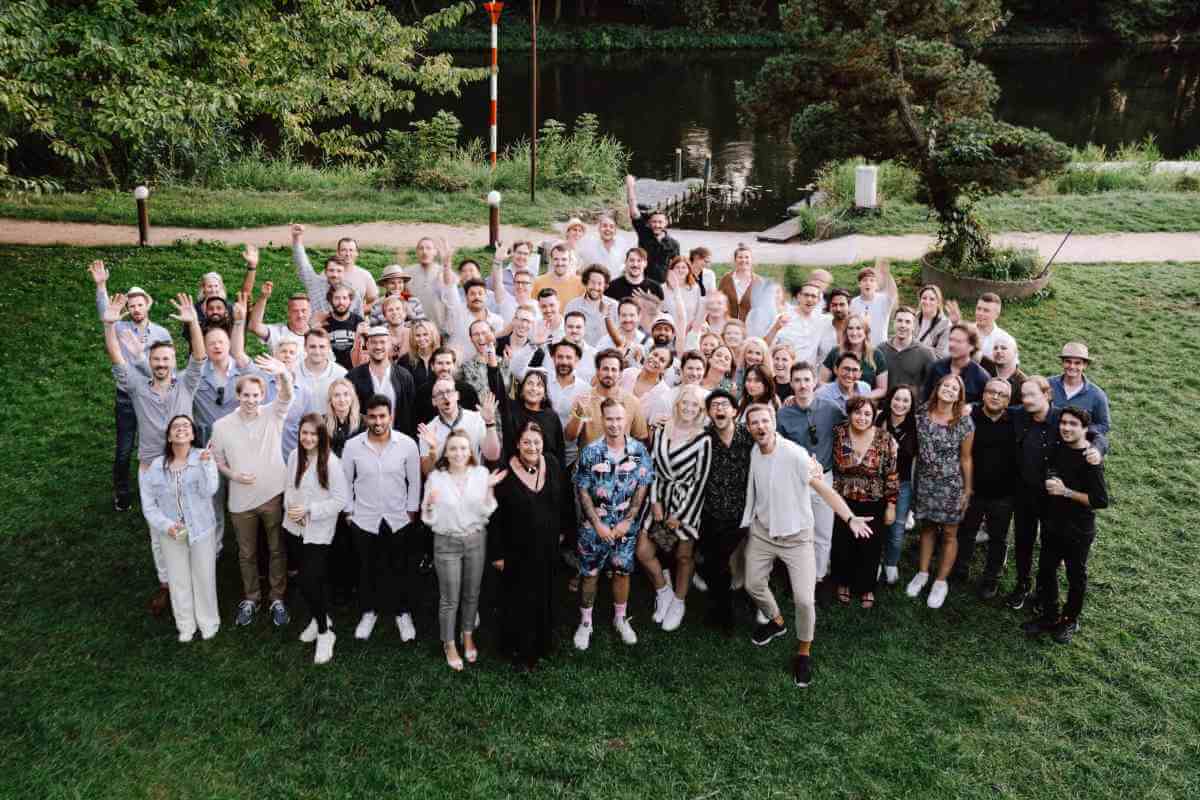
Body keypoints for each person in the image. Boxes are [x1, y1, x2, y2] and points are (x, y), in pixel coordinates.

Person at [742, 404, 873, 688]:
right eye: (754, 423)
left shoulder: (794, 455)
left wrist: (849, 517)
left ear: (774, 422)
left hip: (798, 538)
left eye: (765, 421)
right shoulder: (754, 451)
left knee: (804, 600)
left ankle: (803, 652)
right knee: (752, 584)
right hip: (764, 533)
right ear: (749, 428)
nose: (761, 427)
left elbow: (824, 489)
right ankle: (777, 622)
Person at [102, 291, 205, 613]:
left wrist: (193, 325)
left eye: (166, 360)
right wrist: (109, 325)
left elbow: (199, 359)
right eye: (156, 360)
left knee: (191, 521)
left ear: (174, 363)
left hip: (187, 466)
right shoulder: (135, 386)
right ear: (149, 363)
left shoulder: (186, 385)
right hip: (151, 469)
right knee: (158, 529)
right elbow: (116, 356)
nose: (161, 364)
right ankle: (166, 584)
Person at [1003, 375, 1107, 612]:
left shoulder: (1063, 419)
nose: (1027, 400)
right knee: (1023, 541)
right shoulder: (1020, 415)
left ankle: (1044, 593)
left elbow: (1095, 435)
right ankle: (1022, 584)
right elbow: (995, 407)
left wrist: (1098, 450)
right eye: (1024, 395)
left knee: (1050, 550)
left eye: (1032, 395)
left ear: (1047, 395)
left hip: (1054, 498)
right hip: (1025, 492)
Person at [209, 356, 295, 627]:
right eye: (246, 395)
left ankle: (277, 598)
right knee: (246, 553)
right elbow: (218, 460)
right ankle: (251, 598)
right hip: (240, 500)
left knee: (276, 549)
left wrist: (283, 374)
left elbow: (287, 394)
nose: (251, 400)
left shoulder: (273, 413)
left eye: (256, 395)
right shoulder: (221, 427)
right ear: (238, 395)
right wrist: (234, 475)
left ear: (262, 395)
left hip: (273, 493)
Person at [1020, 406, 1110, 644]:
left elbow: (1100, 501)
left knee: (1075, 575)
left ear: (1084, 429)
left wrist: (1066, 492)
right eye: (1064, 423)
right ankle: (1049, 616)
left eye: (1073, 424)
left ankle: (1069, 620)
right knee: (1047, 571)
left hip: (1078, 529)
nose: (1066, 428)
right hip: (1052, 523)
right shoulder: (1058, 448)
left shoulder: (1090, 459)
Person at [489, 420, 574, 670]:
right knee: (519, 600)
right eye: (526, 442)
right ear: (517, 444)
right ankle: (519, 650)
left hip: (547, 548)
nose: (532, 447)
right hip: (516, 551)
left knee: (545, 595)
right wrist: (497, 554)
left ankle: (543, 643)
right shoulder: (505, 472)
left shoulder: (553, 464)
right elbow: (494, 516)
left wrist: (562, 533)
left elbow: (564, 501)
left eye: (536, 442)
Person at [89, 261, 172, 512]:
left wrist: (141, 359)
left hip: (152, 397)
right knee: (124, 448)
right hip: (126, 397)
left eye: (139, 304)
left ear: (147, 305)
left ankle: (162, 488)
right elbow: (107, 314)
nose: (135, 309)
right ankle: (122, 492)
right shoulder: (121, 328)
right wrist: (101, 286)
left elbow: (168, 369)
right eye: (131, 305)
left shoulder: (161, 333)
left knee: (158, 445)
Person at [572, 399, 655, 650]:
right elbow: (582, 489)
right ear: (602, 419)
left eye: (619, 419)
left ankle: (621, 618)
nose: (614, 424)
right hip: (593, 529)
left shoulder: (639, 451)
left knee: (622, 572)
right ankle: (586, 622)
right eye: (609, 418)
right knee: (590, 574)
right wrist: (596, 523)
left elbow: (642, 487)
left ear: (627, 420)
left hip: (624, 529)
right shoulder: (590, 452)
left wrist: (628, 521)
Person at [420, 430, 505, 670]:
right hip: (446, 542)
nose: (459, 453)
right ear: (446, 452)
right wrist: (429, 504)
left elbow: (487, 511)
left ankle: (467, 635)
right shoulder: (436, 477)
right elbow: (428, 518)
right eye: (454, 448)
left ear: (471, 452)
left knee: (472, 594)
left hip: (475, 539)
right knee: (450, 598)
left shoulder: (481, 474)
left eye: (464, 449)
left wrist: (489, 488)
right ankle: (448, 643)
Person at [341, 395, 422, 642]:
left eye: (382, 416)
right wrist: (349, 511)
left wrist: (411, 510)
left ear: (391, 417)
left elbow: (415, 481)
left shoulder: (407, 444)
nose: (378, 421)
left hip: (398, 517)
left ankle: (402, 613)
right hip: (364, 518)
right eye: (373, 416)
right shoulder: (353, 446)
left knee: (399, 567)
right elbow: (345, 481)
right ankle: (369, 611)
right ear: (366, 417)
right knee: (367, 568)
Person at [638, 385, 713, 633]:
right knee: (644, 551)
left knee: (683, 556)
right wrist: (656, 501)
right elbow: (655, 468)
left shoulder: (703, 439)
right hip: (659, 500)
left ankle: (679, 602)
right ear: (677, 403)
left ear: (701, 410)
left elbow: (700, 481)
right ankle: (663, 590)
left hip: (687, 505)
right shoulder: (661, 428)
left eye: (695, 405)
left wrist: (677, 515)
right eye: (685, 403)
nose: (689, 408)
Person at [139, 415, 220, 642]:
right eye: (176, 426)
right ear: (169, 436)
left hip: (202, 529)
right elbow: (149, 504)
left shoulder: (203, 457)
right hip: (171, 533)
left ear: (193, 434)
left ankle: (208, 622)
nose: (181, 429)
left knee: (204, 577)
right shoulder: (156, 467)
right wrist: (167, 526)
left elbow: (210, 490)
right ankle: (185, 626)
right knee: (178, 580)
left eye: (186, 426)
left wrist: (207, 466)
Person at [283, 414, 350, 664]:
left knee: (310, 581)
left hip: (318, 533)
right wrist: (292, 510)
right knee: (305, 582)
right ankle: (318, 617)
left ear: (322, 436)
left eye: (313, 434)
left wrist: (309, 510)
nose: (308, 438)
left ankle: (324, 633)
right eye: (304, 433)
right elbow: (289, 488)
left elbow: (340, 500)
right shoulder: (293, 457)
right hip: (293, 528)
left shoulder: (331, 463)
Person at [776, 361, 846, 594]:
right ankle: (795, 575)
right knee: (796, 530)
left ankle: (818, 578)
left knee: (823, 532)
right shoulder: (783, 414)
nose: (803, 385)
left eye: (807, 380)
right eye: (797, 380)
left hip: (824, 477)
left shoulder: (832, 409)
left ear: (815, 381)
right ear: (791, 383)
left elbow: (850, 431)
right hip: (795, 481)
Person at [906, 374, 975, 609]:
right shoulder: (921, 415)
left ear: (959, 396)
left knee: (948, 533)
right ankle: (923, 573)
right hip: (925, 482)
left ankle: (940, 581)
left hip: (951, 484)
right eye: (946, 385)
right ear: (938, 388)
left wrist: (967, 490)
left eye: (954, 388)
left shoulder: (964, 423)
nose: (949, 390)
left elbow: (966, 459)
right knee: (926, 527)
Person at [952, 377, 1018, 598]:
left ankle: (991, 578)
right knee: (966, 531)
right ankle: (960, 569)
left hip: (1004, 493)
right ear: (983, 395)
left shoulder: (1016, 420)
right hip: (973, 489)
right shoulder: (971, 416)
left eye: (1001, 394)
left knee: (998, 538)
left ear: (1008, 401)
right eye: (991, 392)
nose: (995, 397)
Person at [830, 396, 898, 608]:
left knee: (870, 546)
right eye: (857, 413)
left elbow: (892, 473)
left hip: (873, 501)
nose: (862, 417)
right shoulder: (838, 433)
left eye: (867, 413)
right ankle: (843, 583)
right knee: (843, 544)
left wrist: (891, 505)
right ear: (850, 414)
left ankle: (866, 586)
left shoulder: (885, 439)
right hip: (843, 500)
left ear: (874, 416)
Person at [698, 390, 754, 632]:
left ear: (734, 411)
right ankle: (720, 605)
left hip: (743, 511)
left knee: (724, 561)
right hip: (711, 512)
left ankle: (729, 609)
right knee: (715, 562)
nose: (719, 409)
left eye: (724, 404)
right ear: (709, 413)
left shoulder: (747, 435)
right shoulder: (704, 438)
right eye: (714, 406)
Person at [324, 379, 364, 608]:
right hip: (331, 488)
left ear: (353, 397)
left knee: (355, 538)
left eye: (345, 394)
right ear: (331, 400)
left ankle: (357, 584)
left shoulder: (363, 423)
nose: (341, 399)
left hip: (358, 489)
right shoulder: (323, 423)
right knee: (335, 538)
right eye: (337, 395)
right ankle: (337, 586)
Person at [565, 349, 650, 448]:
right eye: (605, 369)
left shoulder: (633, 402)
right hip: (588, 461)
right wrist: (579, 413)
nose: (609, 374)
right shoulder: (583, 399)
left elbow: (641, 439)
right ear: (597, 371)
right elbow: (569, 437)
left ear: (620, 374)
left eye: (614, 370)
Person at [417, 380, 502, 475]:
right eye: (440, 394)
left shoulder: (477, 419)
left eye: (449, 391)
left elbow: (492, 456)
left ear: (457, 395)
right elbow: (427, 472)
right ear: (434, 401)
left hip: (473, 484)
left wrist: (489, 423)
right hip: (444, 487)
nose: (445, 397)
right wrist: (433, 451)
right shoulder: (428, 430)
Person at [291, 225, 364, 317]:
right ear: (325, 272)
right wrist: (297, 238)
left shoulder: (352, 291)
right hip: (316, 329)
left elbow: (359, 318)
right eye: (331, 270)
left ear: (344, 273)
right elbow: (302, 263)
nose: (335, 274)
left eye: (339, 271)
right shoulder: (314, 283)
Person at [502, 369, 566, 468]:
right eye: (530, 383)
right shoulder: (512, 409)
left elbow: (560, 452)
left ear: (544, 393)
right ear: (522, 389)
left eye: (539, 385)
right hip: (515, 472)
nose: (534, 388)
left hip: (546, 475)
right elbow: (498, 389)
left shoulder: (552, 417)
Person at [626, 174, 680, 282]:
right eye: (654, 222)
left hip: (663, 285)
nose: (657, 225)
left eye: (660, 222)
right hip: (642, 282)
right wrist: (630, 187)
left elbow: (676, 267)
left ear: (666, 223)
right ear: (649, 223)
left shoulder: (673, 244)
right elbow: (634, 211)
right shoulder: (644, 233)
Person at [1049, 342, 1111, 437]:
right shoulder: (1048, 384)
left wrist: (1081, 430)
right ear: (1063, 362)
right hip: (1048, 441)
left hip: (1076, 445)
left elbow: (1104, 425)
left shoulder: (1097, 395)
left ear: (1085, 365)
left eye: (1077, 363)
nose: (1072, 366)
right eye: (1068, 361)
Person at [820, 314, 887, 399]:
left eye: (859, 328)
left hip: (865, 405)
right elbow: (822, 382)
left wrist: (860, 399)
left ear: (865, 332)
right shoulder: (835, 352)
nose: (854, 332)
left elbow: (882, 389)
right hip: (837, 403)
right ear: (846, 331)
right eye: (850, 328)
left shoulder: (876, 355)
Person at [768, 282, 833, 368]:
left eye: (813, 296)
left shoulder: (823, 320)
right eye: (806, 295)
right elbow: (767, 346)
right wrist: (775, 328)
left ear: (818, 300)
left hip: (808, 375)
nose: (809, 299)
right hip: (784, 371)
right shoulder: (783, 317)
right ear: (798, 297)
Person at [923, 323, 991, 405]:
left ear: (972, 346)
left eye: (958, 341)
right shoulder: (936, 367)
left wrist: (971, 407)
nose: (952, 344)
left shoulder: (982, 378)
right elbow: (925, 398)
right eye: (951, 340)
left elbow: (984, 405)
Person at [413, 348, 480, 429]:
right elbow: (417, 424)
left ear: (454, 366)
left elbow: (477, 422)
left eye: (448, 363)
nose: (444, 368)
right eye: (440, 363)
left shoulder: (468, 391)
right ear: (432, 366)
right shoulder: (423, 392)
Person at [879, 306, 935, 402]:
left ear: (914, 326)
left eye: (907, 322)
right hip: (884, 409)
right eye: (899, 321)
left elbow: (934, 384)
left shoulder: (926, 353)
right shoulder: (880, 350)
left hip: (913, 411)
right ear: (893, 323)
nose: (903, 325)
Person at [565, 264, 619, 346]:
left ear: (605, 286)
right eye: (592, 282)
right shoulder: (572, 306)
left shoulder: (614, 306)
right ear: (586, 282)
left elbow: (620, 335)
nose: (595, 287)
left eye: (600, 283)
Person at [295, 329, 347, 413]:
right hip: (300, 425)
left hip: (330, 424)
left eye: (322, 346)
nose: (317, 351)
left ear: (329, 348)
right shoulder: (293, 373)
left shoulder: (341, 374)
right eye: (312, 346)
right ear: (304, 347)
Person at [248, 283, 309, 354]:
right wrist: (263, 297)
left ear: (310, 311)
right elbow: (254, 326)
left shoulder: (319, 333)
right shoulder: (277, 332)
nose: (300, 315)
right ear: (288, 313)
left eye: (304, 310)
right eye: (295, 311)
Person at [849, 259, 897, 346]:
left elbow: (893, 290)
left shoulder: (885, 299)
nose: (868, 283)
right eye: (864, 280)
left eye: (872, 280)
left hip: (881, 348)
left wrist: (886, 273)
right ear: (859, 284)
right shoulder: (853, 302)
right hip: (859, 347)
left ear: (876, 285)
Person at [947, 292, 1008, 361]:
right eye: (979, 309)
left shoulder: (1005, 340)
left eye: (986, 310)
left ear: (996, 315)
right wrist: (956, 324)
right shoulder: (964, 330)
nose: (980, 313)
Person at [661, 255, 703, 345]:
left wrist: (689, 328)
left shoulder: (695, 288)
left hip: (690, 331)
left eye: (684, 267)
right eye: (677, 267)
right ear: (671, 270)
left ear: (688, 270)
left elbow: (698, 311)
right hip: (669, 332)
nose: (680, 270)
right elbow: (661, 311)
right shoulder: (664, 288)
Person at [594, 298, 646, 368]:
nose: (628, 319)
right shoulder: (605, 342)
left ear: (639, 317)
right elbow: (597, 369)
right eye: (624, 315)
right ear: (619, 317)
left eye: (632, 315)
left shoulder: (648, 342)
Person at [323, 284, 364, 371]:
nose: (341, 302)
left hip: (354, 371)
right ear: (330, 300)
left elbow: (365, 350)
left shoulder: (359, 322)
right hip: (331, 371)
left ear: (350, 300)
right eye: (337, 298)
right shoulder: (323, 322)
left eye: (345, 298)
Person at [577, 214, 631, 280]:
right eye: (604, 226)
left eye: (611, 227)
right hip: (596, 286)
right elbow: (580, 265)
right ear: (599, 228)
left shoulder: (622, 244)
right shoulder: (590, 244)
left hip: (615, 285)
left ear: (615, 230)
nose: (608, 229)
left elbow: (628, 264)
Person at [717, 244, 759, 322]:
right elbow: (718, 302)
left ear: (751, 260)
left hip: (751, 327)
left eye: (747, 257)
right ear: (735, 260)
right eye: (740, 257)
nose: (743, 260)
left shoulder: (759, 282)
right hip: (729, 326)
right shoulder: (726, 279)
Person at [984, 330, 1026, 400]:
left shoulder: (1023, 383)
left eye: (1003, 348)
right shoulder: (984, 367)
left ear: (1015, 352)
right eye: (995, 348)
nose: (998, 351)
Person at [399, 319, 440, 389]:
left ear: (433, 335)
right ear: (413, 337)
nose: (421, 339)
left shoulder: (442, 357)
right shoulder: (405, 360)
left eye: (425, 334)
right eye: (418, 335)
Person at [915, 284, 950, 357]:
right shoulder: (914, 317)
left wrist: (916, 347)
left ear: (938, 302)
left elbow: (941, 354)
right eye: (924, 298)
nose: (927, 302)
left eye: (932, 299)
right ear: (920, 300)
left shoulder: (946, 324)